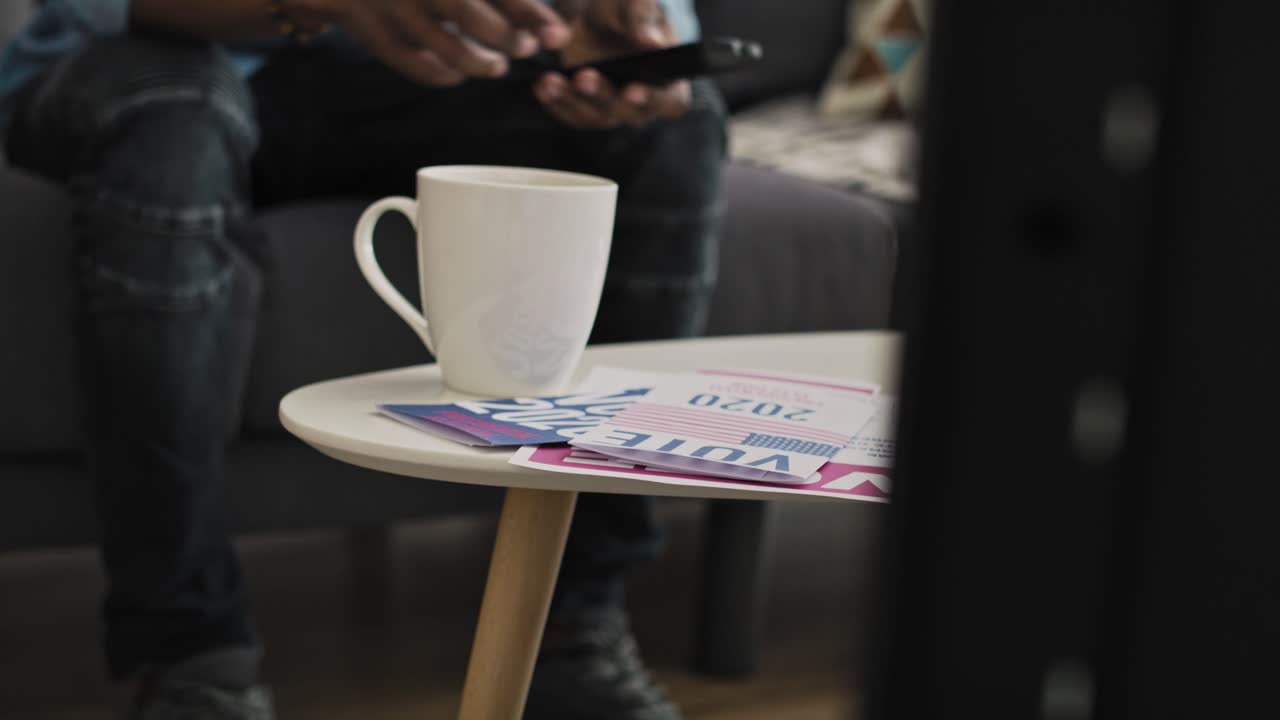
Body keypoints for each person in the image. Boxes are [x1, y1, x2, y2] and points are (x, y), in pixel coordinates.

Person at [0, 1, 725, 718]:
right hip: (157, 58)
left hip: (411, 80)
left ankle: (574, 625)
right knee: (172, 112)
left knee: (676, 123)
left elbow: (655, 26)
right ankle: (192, 655)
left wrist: (619, 39)